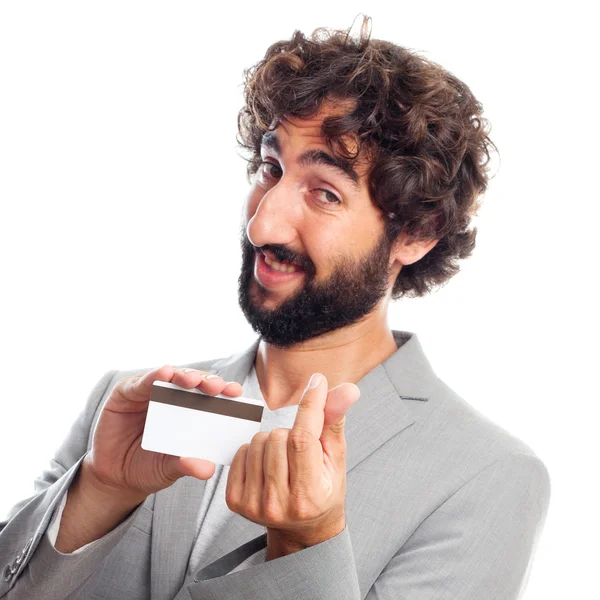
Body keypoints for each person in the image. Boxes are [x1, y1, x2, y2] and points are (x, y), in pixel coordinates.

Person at [0, 15, 550, 600]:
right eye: (271, 170)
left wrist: (304, 546)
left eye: (325, 192)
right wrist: (100, 490)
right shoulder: (131, 405)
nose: (262, 224)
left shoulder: (490, 477)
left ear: (416, 231)